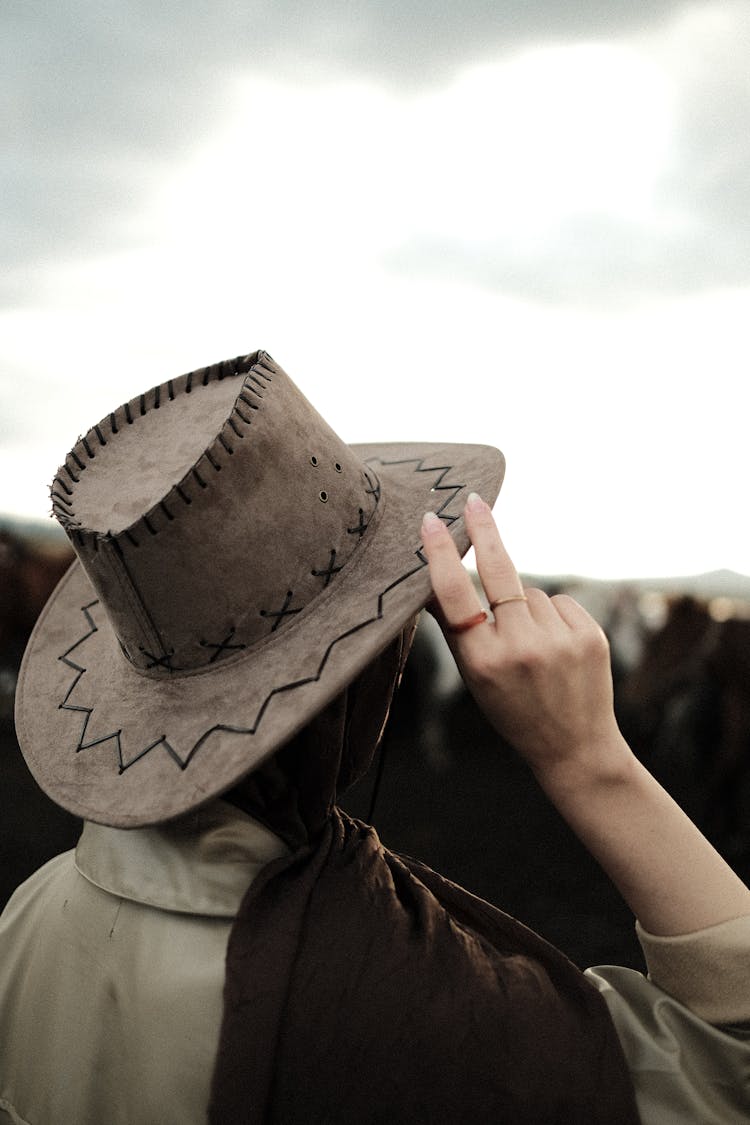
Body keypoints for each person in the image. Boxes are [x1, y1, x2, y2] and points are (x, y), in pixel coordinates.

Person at [0, 349, 747, 1124]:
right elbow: (732, 1071)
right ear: (348, 687)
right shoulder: (424, 1016)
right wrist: (588, 755)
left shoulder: (26, 916)